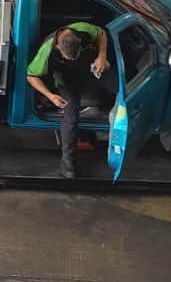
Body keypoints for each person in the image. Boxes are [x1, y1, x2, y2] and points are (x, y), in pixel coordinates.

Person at [26, 22, 115, 179]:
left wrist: (102, 56)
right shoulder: (47, 50)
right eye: (67, 57)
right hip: (65, 79)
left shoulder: (83, 29)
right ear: (59, 47)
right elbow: (32, 76)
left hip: (87, 68)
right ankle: (68, 164)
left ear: (79, 42)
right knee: (71, 118)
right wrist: (51, 96)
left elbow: (101, 33)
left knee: (117, 86)